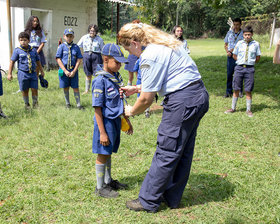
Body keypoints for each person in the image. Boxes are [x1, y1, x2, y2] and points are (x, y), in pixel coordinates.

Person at [118, 23, 209, 213]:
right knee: (182, 149)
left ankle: (148, 200)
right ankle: (171, 196)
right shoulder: (165, 44)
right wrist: (137, 88)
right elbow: (171, 77)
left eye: (128, 49)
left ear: (134, 43)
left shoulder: (149, 55)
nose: (130, 54)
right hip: (197, 95)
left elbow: (146, 100)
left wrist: (130, 111)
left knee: (167, 149)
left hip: (183, 101)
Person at [92, 43, 133, 198]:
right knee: (103, 153)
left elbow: (119, 102)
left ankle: (108, 181)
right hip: (105, 123)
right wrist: (102, 132)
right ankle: (99, 186)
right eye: (117, 62)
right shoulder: (100, 80)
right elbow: (97, 109)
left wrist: (127, 121)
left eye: (121, 62)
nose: (120, 65)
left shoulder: (115, 78)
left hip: (115, 121)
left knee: (109, 152)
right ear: (105, 59)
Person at [224, 26, 261, 117]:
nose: (247, 36)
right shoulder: (239, 43)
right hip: (239, 68)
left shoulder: (256, 44)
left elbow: (257, 57)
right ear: (243, 35)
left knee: (248, 89)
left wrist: (249, 62)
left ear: (252, 34)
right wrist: (241, 62)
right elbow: (234, 55)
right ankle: (233, 108)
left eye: (249, 34)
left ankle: (248, 110)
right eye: (245, 35)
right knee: (236, 88)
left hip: (250, 69)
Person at [7, 32, 45, 109]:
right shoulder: (17, 50)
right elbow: (12, 62)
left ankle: (35, 104)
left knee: (34, 89)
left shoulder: (33, 50)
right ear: (19, 41)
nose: (23, 42)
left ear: (29, 40)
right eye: (21, 40)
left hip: (33, 73)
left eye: (25, 40)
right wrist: (9, 73)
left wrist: (41, 70)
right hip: (23, 73)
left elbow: (38, 61)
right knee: (25, 89)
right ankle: (27, 104)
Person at [56, 28, 84, 109]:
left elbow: (79, 59)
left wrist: (74, 71)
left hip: (73, 70)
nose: (69, 38)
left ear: (73, 37)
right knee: (65, 87)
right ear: (64, 36)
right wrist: (65, 70)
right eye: (67, 36)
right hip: (64, 70)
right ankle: (67, 103)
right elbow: (58, 59)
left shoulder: (76, 47)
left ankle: (78, 104)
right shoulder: (61, 47)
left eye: (71, 36)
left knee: (75, 87)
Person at [77, 24, 104, 94]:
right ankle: (87, 90)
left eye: (94, 31)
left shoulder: (99, 39)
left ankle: (96, 89)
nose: (92, 32)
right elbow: (78, 46)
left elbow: (103, 50)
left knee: (97, 74)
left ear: (96, 32)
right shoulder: (84, 37)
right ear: (89, 30)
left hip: (96, 56)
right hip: (86, 55)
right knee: (88, 73)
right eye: (91, 30)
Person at [224, 18, 243, 98]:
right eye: (234, 24)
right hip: (230, 56)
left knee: (239, 74)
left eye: (237, 24)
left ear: (240, 25)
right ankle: (228, 91)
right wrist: (227, 51)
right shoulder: (229, 33)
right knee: (229, 74)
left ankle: (240, 91)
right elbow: (225, 44)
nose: (236, 26)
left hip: (239, 57)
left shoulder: (243, 34)